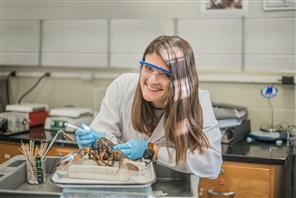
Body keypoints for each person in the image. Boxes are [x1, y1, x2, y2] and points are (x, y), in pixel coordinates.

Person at [75, 35, 222, 188]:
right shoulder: (123, 86)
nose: (152, 80)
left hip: (175, 189)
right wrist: (96, 142)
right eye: (148, 68)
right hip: (125, 185)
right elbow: (105, 136)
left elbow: (210, 164)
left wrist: (153, 151)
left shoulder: (196, 100)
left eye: (165, 74)